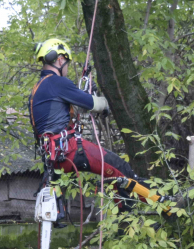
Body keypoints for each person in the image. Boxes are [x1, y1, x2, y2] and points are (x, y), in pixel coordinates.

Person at [29, 38, 149, 211]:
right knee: (119, 167)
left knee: (115, 176)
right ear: (60, 60)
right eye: (67, 63)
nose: (67, 67)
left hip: (54, 156)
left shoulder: (38, 88)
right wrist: (103, 102)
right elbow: (95, 105)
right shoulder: (57, 82)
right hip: (68, 149)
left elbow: (70, 111)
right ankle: (154, 205)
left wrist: (83, 95)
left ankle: (128, 216)